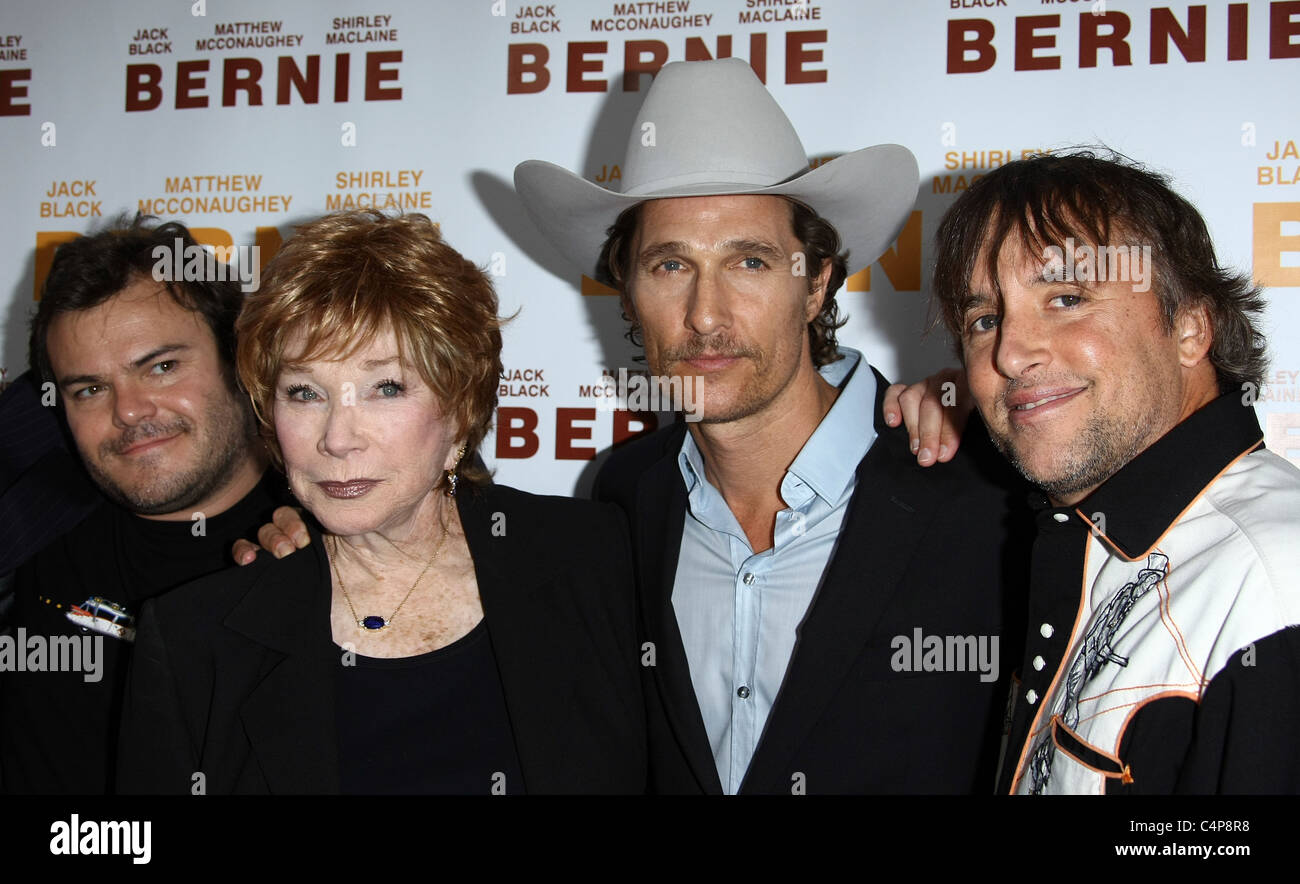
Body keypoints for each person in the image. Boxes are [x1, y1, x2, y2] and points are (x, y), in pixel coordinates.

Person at [510, 58, 1032, 794]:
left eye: (750, 261)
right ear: (626, 294)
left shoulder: (984, 490)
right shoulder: (625, 496)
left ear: (817, 282)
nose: (706, 315)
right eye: (668, 266)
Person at [117, 210, 645, 794]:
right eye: (304, 393)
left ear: (461, 410)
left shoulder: (596, 560)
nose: (337, 437)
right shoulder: (196, 637)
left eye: (385, 388)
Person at [928, 149, 1300, 793]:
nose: (1010, 354)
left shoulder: (1273, 579)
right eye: (985, 320)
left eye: (1067, 298)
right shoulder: (1086, 532)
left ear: (1190, 326)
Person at [0, 217, 280, 794]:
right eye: (90, 389)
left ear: (241, 358)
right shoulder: (30, 521)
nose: (129, 410)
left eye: (161, 366)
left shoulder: (317, 548)